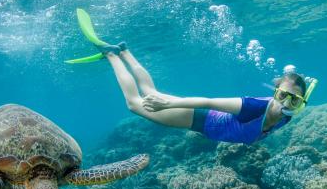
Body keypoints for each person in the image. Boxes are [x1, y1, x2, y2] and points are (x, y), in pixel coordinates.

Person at [103, 44, 312, 145]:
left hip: (204, 122)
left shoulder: (287, 116)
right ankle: (110, 54)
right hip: (199, 118)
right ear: (275, 93)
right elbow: (207, 101)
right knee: (134, 103)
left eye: (295, 99)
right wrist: (166, 105)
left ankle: (123, 51)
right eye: (283, 95)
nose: (287, 102)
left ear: (301, 102)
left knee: (150, 92)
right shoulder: (252, 106)